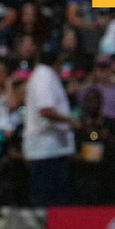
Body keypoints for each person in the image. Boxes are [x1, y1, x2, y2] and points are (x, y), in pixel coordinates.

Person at [22, 51, 76, 206]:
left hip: (53, 147)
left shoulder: (46, 76)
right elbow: (45, 110)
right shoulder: (44, 76)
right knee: (47, 200)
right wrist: (71, 121)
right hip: (46, 148)